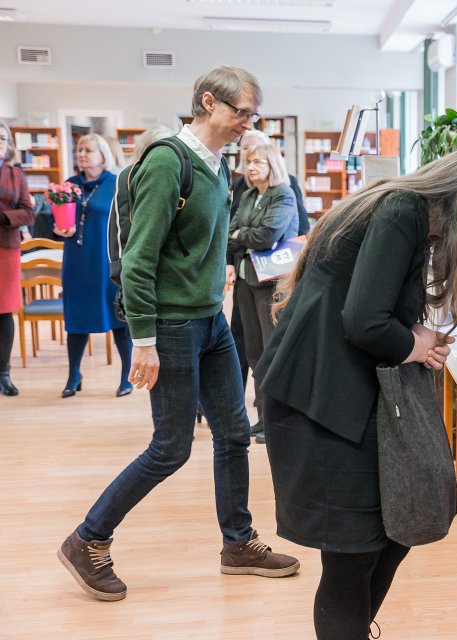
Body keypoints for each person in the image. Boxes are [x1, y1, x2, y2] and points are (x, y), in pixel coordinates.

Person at [58, 65, 299, 603]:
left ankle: (238, 544)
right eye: (242, 113)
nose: (248, 124)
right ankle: (88, 539)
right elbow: (139, 260)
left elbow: (201, 242)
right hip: (169, 325)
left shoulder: (216, 167)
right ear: (209, 103)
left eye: (252, 115)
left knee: (234, 433)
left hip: (210, 319)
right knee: (170, 448)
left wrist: (217, 273)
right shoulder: (170, 162)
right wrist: (142, 339)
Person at [255, 146, 457, 639]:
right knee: (354, 557)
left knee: (387, 537)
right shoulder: (403, 211)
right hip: (321, 401)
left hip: (338, 392)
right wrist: (416, 345)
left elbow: (372, 307)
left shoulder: (404, 210)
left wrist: (417, 339)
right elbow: (364, 321)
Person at [228, 130, 309, 405]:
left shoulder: (283, 193)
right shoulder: (250, 196)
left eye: (258, 162)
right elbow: (231, 231)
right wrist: (241, 234)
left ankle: (275, 418)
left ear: (272, 165)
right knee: (253, 352)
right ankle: (263, 416)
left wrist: (242, 234)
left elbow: (267, 236)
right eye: (248, 162)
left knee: (271, 349)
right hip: (245, 279)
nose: (250, 167)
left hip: (272, 281)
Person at [53, 133, 134, 398]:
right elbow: (57, 222)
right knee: (76, 320)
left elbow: (127, 223)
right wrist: (58, 230)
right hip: (76, 263)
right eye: (79, 150)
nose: (82, 154)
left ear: (103, 155)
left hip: (106, 261)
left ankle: (126, 377)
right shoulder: (69, 185)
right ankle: (73, 375)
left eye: (88, 150)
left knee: (118, 319)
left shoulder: (116, 183)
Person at [0, 122, 36, 397]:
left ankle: (4, 373)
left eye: (2, 138)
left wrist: (4, 218)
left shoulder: (15, 175)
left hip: (5, 248)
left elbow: (27, 212)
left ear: (8, 143)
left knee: (4, 312)